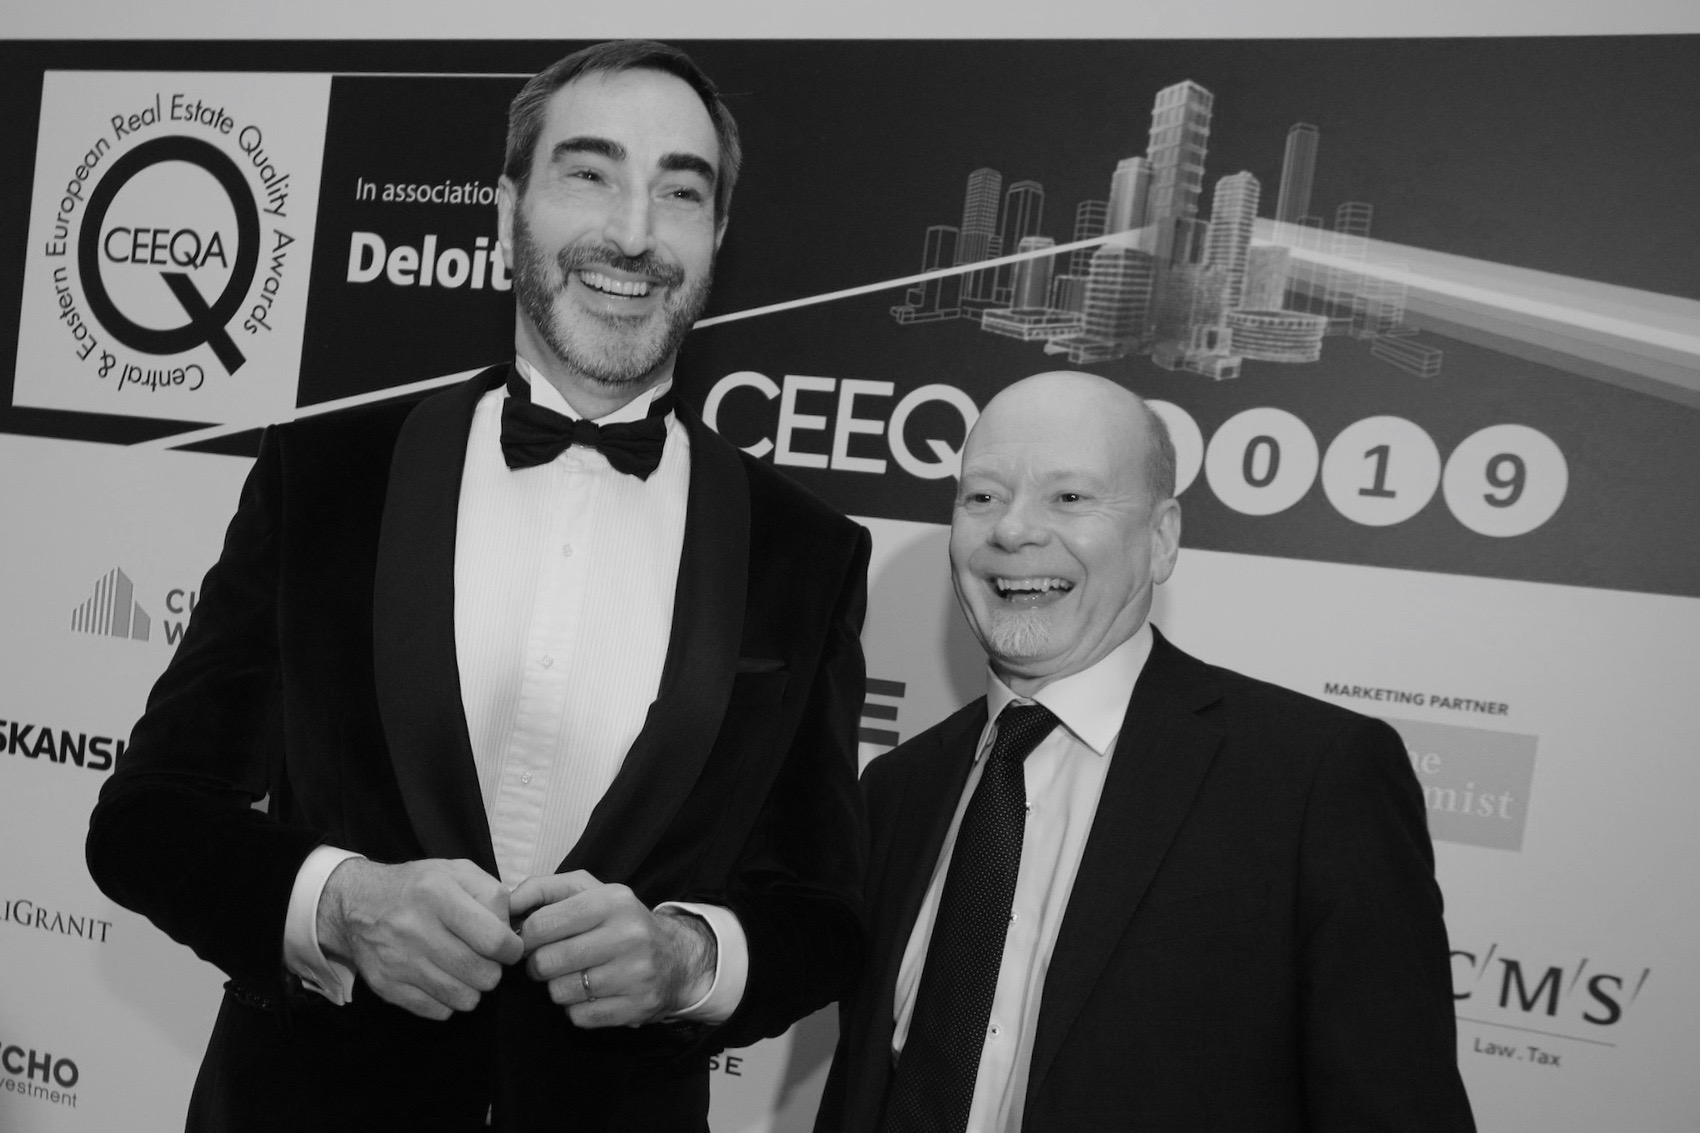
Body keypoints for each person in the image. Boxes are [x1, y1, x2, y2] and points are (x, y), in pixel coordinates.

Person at [86, 40, 870, 1132]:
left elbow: (823, 913)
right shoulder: (328, 476)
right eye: (588, 172)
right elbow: (146, 819)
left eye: (680, 191)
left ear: (717, 234)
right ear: (507, 209)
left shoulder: (805, 550)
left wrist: (688, 957)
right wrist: (338, 902)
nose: (633, 232)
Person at [817, 371, 1474, 1131]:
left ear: (1161, 539)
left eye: (1069, 496)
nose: (1013, 531)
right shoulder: (899, 787)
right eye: (983, 496)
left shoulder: (1314, 780)